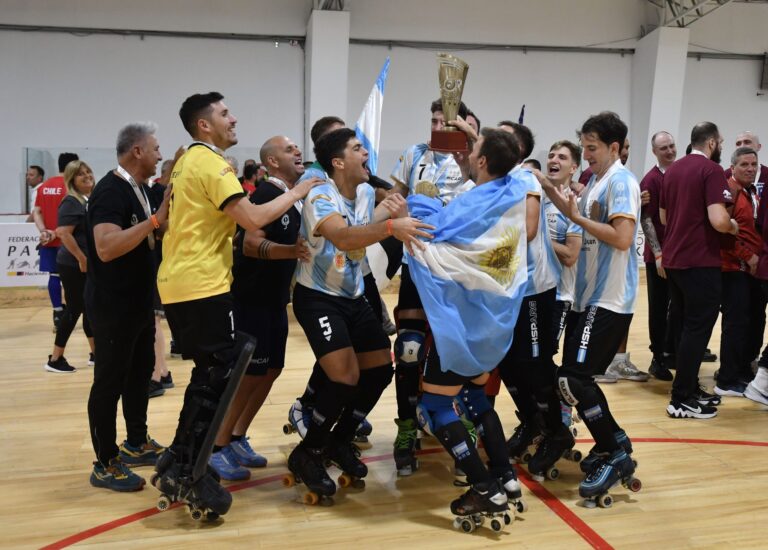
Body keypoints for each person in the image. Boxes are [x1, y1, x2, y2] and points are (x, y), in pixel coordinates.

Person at [153, 92, 319, 513]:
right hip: (202, 283)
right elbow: (253, 219)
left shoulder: (189, 161)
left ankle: (181, 459)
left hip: (184, 280)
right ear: (204, 125)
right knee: (218, 377)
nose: (234, 119)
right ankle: (190, 468)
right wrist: (299, 190)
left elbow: (169, 217)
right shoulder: (210, 162)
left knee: (213, 374)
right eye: (225, 114)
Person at [287, 128, 432, 499]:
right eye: (357, 149)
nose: (366, 152)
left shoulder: (366, 192)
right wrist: (389, 226)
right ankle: (309, 452)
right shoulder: (321, 194)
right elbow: (345, 237)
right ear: (338, 162)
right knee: (345, 376)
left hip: (352, 297)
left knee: (381, 369)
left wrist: (398, 208)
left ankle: (338, 440)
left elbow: (371, 221)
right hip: (318, 298)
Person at [412, 127, 526, 522]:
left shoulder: (473, 201)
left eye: (472, 149)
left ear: (481, 161)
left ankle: (484, 489)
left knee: (437, 404)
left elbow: (431, 234)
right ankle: (506, 476)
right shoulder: (515, 189)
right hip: (494, 323)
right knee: (477, 398)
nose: (467, 152)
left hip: (463, 323)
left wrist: (418, 201)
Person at [537, 111, 640, 500]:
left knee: (573, 379)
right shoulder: (595, 182)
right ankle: (612, 440)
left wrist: (576, 215)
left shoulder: (621, 182)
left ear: (614, 147)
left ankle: (615, 449)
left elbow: (623, 237)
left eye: (592, 148)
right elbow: (576, 220)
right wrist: (547, 187)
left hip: (609, 296)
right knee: (573, 380)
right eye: (584, 146)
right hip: (586, 298)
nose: (586, 153)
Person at [208, 135, 309, 481]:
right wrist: (291, 252)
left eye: (298, 147)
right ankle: (216, 447)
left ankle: (236, 436)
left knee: (271, 371)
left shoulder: (294, 198)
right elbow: (251, 245)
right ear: (272, 162)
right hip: (251, 300)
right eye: (288, 149)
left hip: (276, 300)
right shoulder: (267, 193)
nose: (297, 151)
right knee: (249, 374)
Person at [389, 99, 474, 475]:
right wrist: (399, 211)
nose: (436, 126)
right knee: (408, 348)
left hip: (454, 268)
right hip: (416, 264)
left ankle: (456, 416)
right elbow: (392, 195)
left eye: (445, 122)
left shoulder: (471, 158)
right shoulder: (414, 154)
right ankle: (406, 426)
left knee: (454, 350)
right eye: (434, 120)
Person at [85, 122, 168, 492]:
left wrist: (161, 219)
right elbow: (106, 247)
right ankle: (104, 462)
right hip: (111, 306)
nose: (159, 155)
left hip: (138, 303)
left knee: (140, 375)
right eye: (155, 148)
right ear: (137, 151)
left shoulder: (141, 189)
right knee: (109, 383)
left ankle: (136, 442)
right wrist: (154, 220)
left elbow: (150, 234)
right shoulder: (109, 190)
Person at [660, 122, 738, 419]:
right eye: (720, 142)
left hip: (675, 259)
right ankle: (681, 398)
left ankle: (689, 388)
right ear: (712, 143)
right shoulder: (711, 170)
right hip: (700, 260)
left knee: (686, 327)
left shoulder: (674, 170)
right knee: (697, 328)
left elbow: (665, 217)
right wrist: (733, 226)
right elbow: (719, 220)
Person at [715, 147, 762, 397]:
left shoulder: (749, 191)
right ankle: (726, 379)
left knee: (747, 321)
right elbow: (723, 234)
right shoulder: (729, 191)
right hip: (732, 268)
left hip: (748, 269)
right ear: (732, 167)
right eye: (744, 164)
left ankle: (741, 370)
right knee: (734, 324)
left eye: (754, 164)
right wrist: (748, 256)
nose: (750, 169)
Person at [44, 160, 96, 373]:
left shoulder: (87, 200)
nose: (86, 176)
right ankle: (55, 359)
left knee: (89, 309)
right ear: (72, 180)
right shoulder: (71, 202)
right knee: (74, 309)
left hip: (83, 263)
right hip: (73, 265)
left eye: (88, 171)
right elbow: (63, 233)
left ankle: (96, 354)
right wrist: (82, 259)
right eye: (80, 174)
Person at [639, 131, 678, 381]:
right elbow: (647, 219)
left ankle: (671, 350)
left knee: (677, 308)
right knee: (659, 308)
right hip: (659, 258)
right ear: (655, 152)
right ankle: (657, 358)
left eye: (672, 146)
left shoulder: (679, 174)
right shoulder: (651, 180)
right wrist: (659, 253)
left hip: (680, 255)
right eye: (664, 148)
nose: (670, 151)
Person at [33, 152, 78, 332]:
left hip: (49, 239)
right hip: (67, 238)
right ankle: (72, 313)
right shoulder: (71, 187)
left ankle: (58, 313)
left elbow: (37, 211)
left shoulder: (44, 186)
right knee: (71, 278)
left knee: (54, 276)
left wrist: (44, 230)